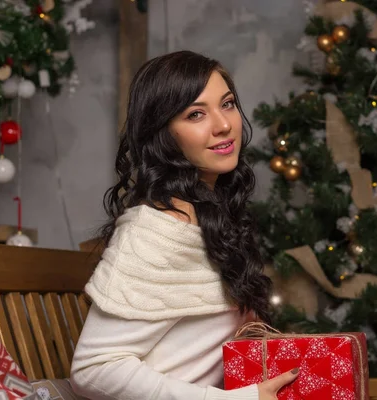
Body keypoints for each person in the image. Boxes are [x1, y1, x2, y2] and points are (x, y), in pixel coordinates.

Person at [70, 51, 299, 400]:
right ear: (163, 134)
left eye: (227, 104)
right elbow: (93, 369)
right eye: (196, 114)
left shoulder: (209, 218)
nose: (223, 125)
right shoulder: (159, 230)